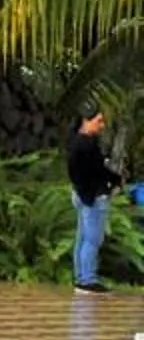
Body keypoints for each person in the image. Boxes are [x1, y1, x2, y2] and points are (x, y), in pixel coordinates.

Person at [67, 107, 121, 292]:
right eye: (98, 121)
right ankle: (88, 280)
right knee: (92, 239)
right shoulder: (87, 145)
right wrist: (115, 180)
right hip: (93, 196)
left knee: (82, 237)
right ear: (86, 121)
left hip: (81, 194)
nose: (102, 126)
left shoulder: (76, 142)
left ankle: (81, 277)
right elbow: (97, 171)